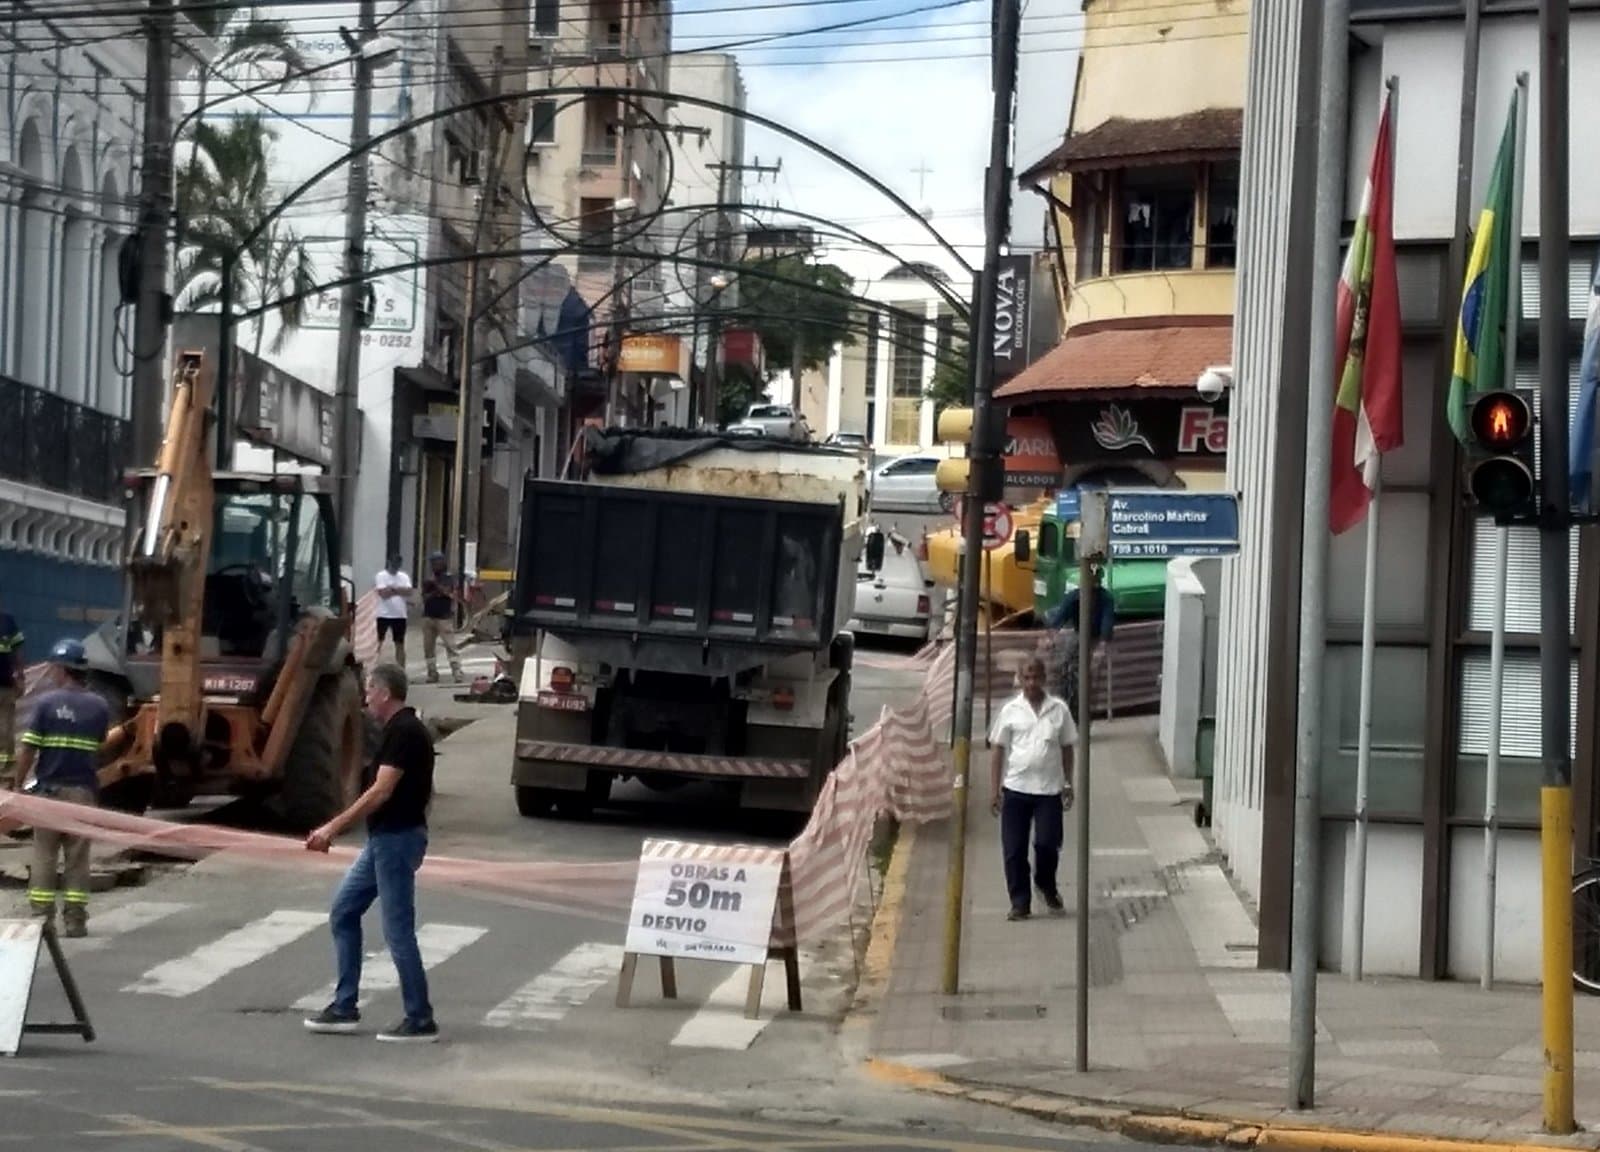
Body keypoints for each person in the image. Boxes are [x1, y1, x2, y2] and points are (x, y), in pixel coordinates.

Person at [303, 663, 438, 1043]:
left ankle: (420, 1017)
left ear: (383, 692)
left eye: (368, 691)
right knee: (344, 912)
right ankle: (344, 1005)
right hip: (384, 840)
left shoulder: (405, 732)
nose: (365, 698)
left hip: (396, 840)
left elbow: (381, 791)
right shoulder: (398, 730)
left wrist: (332, 827)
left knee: (398, 931)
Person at [11, 638, 110, 938]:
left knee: (44, 855)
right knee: (78, 858)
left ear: (62, 669)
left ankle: (42, 920)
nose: (51, 672)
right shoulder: (99, 706)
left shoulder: (46, 704)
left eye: (54, 666)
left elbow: (28, 750)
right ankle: (75, 921)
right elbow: (101, 746)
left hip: (49, 794)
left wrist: (18, 786)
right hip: (83, 792)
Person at [988, 655, 1076, 922]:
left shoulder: (1058, 710)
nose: (1031, 682)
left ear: (1044, 678)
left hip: (1049, 791)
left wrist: (1068, 782)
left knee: (1048, 844)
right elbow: (998, 749)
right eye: (1026, 677)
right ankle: (1019, 902)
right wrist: (994, 790)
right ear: (1020, 679)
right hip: (1016, 790)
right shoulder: (1010, 711)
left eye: (1036, 677)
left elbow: (1067, 747)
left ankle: (1045, 884)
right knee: (1014, 850)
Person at [419, 551, 464, 684]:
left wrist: (437, 587)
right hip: (428, 616)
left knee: (450, 645)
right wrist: (434, 590)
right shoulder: (428, 580)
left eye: (438, 562)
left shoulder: (448, 578)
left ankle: (457, 671)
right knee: (428, 647)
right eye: (433, 563)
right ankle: (432, 673)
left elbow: (448, 592)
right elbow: (424, 597)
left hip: (444, 617)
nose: (435, 565)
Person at [373, 556, 413, 669]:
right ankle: (372, 667)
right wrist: (399, 590)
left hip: (400, 615)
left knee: (399, 643)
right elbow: (383, 593)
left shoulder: (404, 576)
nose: (396, 567)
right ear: (389, 562)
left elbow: (409, 592)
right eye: (394, 564)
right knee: (378, 642)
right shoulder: (381, 575)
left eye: (398, 564)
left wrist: (392, 589)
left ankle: (401, 669)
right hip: (383, 614)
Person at [0, 602, 23, 785]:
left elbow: (16, 651)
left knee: (5, 731)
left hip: (5, 686)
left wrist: (20, 676)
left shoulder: (7, 621)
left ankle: (6, 774)